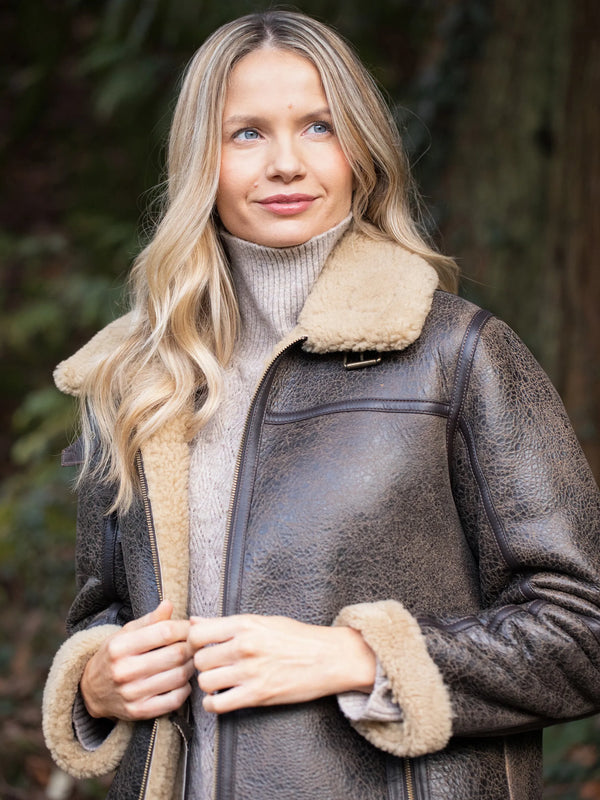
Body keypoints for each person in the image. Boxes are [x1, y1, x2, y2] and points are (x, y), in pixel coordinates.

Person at [42, 10, 600, 800]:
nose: (285, 164)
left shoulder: (457, 355)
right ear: (200, 157)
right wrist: (98, 681)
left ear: (362, 152)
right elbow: (102, 613)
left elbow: (584, 632)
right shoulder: (139, 375)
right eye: (246, 134)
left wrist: (362, 658)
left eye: (318, 127)